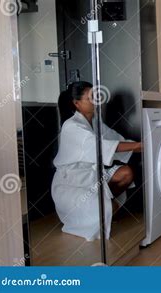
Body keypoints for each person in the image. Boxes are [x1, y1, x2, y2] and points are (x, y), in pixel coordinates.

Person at [51, 81, 142, 241]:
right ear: (77, 103)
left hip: (92, 177)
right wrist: (137, 146)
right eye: (91, 97)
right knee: (106, 209)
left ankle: (103, 209)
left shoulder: (95, 122)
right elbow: (100, 146)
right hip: (72, 184)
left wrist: (141, 146)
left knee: (127, 173)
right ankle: (94, 213)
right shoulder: (71, 126)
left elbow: (116, 140)